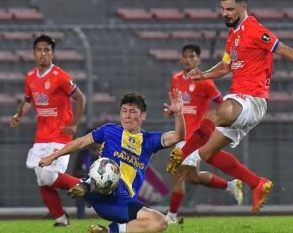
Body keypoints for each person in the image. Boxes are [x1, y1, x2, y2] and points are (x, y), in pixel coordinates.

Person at [167, 0, 293, 214]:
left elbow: (284, 49)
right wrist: (204, 74)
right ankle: (257, 183)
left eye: (229, 9)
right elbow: (225, 66)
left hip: (251, 100)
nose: (225, 13)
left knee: (213, 113)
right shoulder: (233, 35)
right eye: (222, 9)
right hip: (241, 103)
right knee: (207, 154)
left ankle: (181, 154)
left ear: (243, 6)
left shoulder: (253, 29)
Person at [39, 91, 185, 233]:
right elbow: (81, 142)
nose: (127, 116)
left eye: (133, 111)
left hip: (121, 203)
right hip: (100, 190)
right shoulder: (109, 130)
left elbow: (178, 136)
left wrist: (178, 113)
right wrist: (54, 156)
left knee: (160, 222)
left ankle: (107, 229)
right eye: (124, 111)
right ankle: (85, 185)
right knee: (47, 175)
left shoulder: (150, 140)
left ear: (143, 116)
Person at [10, 34, 86, 226]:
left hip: (60, 135)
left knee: (47, 176)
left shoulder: (60, 76)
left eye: (47, 50)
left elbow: (81, 98)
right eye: (39, 50)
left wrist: (75, 123)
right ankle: (62, 220)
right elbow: (28, 100)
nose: (43, 54)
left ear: (53, 54)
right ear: (33, 53)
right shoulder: (30, 77)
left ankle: (87, 187)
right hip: (41, 136)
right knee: (42, 180)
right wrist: (19, 114)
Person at [165, 44, 243, 224]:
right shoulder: (175, 79)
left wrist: (216, 121)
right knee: (191, 177)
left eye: (192, 57)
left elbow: (222, 103)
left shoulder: (206, 81)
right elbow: (178, 104)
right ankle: (230, 185)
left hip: (195, 138)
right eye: (185, 56)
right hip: (181, 135)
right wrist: (172, 111)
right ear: (180, 59)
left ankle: (171, 217)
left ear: (198, 60)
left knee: (177, 173)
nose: (188, 60)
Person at [72, 131, 100, 219]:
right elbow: (76, 171)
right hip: (85, 181)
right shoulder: (83, 153)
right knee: (79, 189)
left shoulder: (104, 152)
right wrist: (82, 174)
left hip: (100, 183)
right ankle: (81, 217)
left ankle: (105, 217)